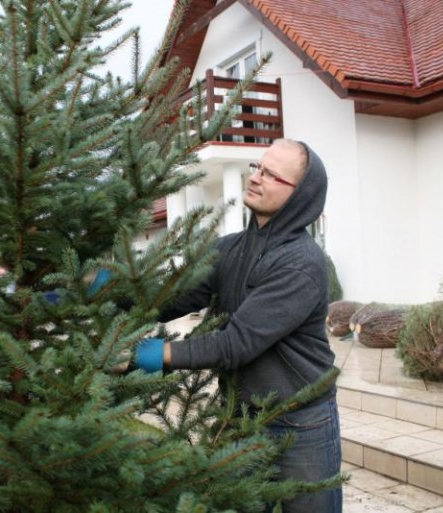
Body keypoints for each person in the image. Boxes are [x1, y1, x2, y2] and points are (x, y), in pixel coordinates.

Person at [135, 138, 341, 512]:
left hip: (301, 419)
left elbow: (236, 343)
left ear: (299, 196)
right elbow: (172, 298)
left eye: (272, 175)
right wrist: (107, 292)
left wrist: (153, 354)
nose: (257, 178)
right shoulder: (228, 250)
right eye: (258, 168)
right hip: (242, 415)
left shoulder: (301, 263)